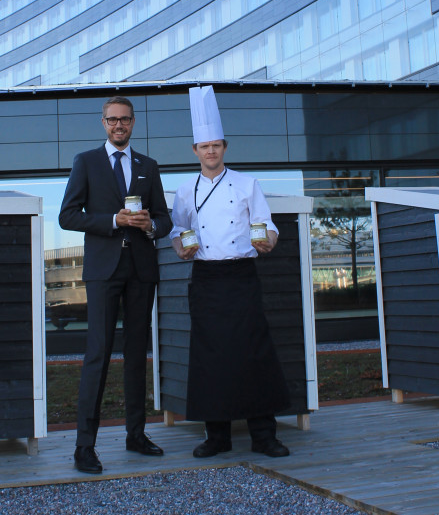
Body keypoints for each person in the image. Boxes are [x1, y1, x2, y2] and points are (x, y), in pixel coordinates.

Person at [170, 86, 291, 459]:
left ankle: (264, 436)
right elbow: (178, 231)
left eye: (217, 145)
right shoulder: (185, 189)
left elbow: (266, 225)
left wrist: (267, 242)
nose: (211, 151)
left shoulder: (246, 183)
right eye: (204, 146)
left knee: (254, 353)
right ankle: (216, 436)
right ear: (195, 150)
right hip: (206, 278)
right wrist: (183, 249)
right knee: (210, 357)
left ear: (224, 147)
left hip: (242, 276)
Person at [59, 95, 171, 474]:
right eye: (112, 120)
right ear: (103, 123)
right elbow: (67, 216)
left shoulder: (148, 166)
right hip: (103, 270)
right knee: (98, 353)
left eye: (124, 119)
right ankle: (84, 446)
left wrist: (150, 226)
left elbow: (164, 219)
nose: (118, 125)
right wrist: (113, 221)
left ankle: (135, 435)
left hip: (141, 269)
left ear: (134, 122)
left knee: (138, 353)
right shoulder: (86, 162)